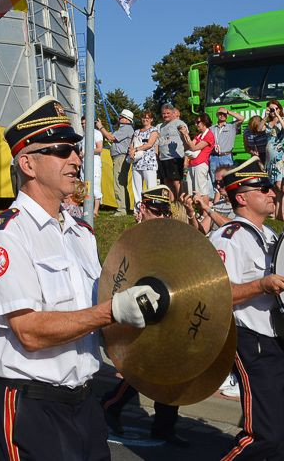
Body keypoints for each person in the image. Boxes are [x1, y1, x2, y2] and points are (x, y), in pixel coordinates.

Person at [0, 96, 161, 461]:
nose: (76, 159)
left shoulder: (81, 233)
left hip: (85, 400)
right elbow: (29, 331)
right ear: (28, 163)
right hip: (32, 404)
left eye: (75, 149)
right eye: (62, 150)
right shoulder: (8, 235)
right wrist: (111, 311)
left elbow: (95, 318)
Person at [211, 158, 284, 460]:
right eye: (263, 188)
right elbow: (216, 295)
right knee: (264, 434)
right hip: (253, 341)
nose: (272, 193)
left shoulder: (271, 235)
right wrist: (261, 286)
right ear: (241, 197)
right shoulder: (228, 238)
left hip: (282, 340)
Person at [103, 184, 189, 447]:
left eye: (166, 212)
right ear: (143, 209)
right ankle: (110, 406)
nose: (163, 216)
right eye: (157, 211)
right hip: (140, 308)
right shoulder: (134, 239)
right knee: (144, 370)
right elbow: (120, 277)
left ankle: (164, 425)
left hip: (168, 307)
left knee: (172, 370)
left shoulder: (168, 237)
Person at [98, 109, 135, 215]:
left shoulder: (126, 128)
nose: (119, 118)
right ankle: (125, 207)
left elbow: (111, 137)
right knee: (121, 183)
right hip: (121, 157)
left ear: (127, 120)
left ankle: (122, 209)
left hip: (120, 157)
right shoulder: (125, 129)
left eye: (121, 117)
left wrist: (100, 127)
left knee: (118, 184)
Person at [180, 112, 216, 197]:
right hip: (192, 165)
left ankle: (205, 206)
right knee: (192, 192)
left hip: (200, 165)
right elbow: (188, 146)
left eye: (198, 122)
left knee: (201, 193)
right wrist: (183, 135)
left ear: (204, 122)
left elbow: (194, 148)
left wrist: (186, 135)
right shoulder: (199, 135)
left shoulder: (209, 135)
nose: (196, 124)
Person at [128, 110, 160, 207]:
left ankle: (152, 208)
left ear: (151, 119)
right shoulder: (136, 131)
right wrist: (131, 151)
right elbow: (131, 144)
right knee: (137, 187)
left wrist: (136, 149)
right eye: (143, 117)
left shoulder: (154, 130)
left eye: (147, 118)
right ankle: (138, 209)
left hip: (149, 163)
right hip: (137, 162)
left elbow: (149, 144)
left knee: (151, 187)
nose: (145, 119)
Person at [156, 104, 187, 200]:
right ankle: (172, 204)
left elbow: (186, 138)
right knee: (167, 182)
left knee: (176, 182)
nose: (165, 115)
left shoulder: (179, 123)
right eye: (163, 113)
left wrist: (186, 157)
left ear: (173, 113)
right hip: (163, 158)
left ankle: (179, 203)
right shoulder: (161, 126)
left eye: (168, 113)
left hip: (175, 158)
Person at [210, 109, 246, 174]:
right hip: (214, 157)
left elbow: (242, 118)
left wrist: (228, 112)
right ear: (217, 115)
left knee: (227, 177)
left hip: (226, 157)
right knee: (214, 178)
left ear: (227, 115)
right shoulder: (212, 128)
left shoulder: (231, 126)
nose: (222, 115)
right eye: (220, 113)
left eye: (224, 114)